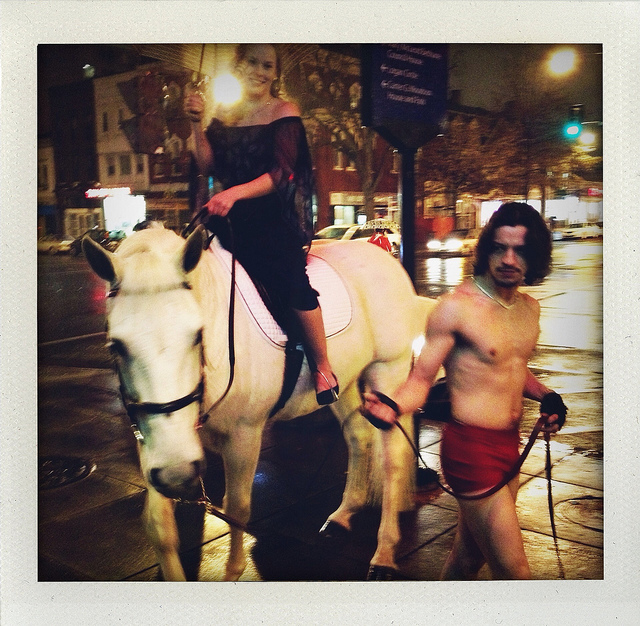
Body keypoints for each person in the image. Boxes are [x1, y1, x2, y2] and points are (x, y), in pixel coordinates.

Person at [361, 202, 568, 579]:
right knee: (516, 573)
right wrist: (392, 406)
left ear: (535, 255)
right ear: (486, 249)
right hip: (471, 453)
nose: (508, 259)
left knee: (467, 561)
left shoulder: (529, 309)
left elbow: (511, 367)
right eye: (499, 248)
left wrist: (546, 396)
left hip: (510, 446)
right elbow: (420, 380)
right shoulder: (456, 309)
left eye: (520, 250)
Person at [184, 44, 338, 405]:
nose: (259, 70)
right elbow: (208, 165)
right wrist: (195, 123)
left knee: (293, 284)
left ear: (276, 72)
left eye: (267, 65)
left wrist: (233, 194)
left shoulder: (284, 111)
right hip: (227, 221)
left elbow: (283, 173)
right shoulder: (223, 114)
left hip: (270, 222)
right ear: (238, 65)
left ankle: (322, 366)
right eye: (252, 62)